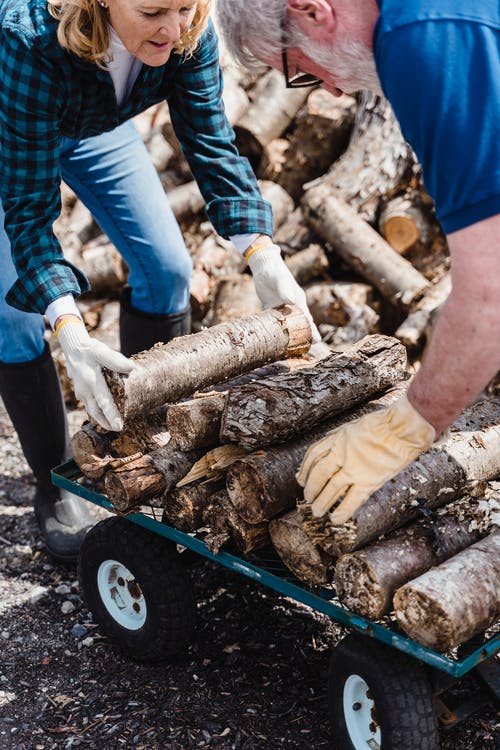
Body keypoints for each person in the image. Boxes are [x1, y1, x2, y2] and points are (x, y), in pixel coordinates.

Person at [0, 0, 320, 561]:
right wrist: (70, 327)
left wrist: (263, 254)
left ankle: (139, 451)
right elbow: (27, 212)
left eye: (184, 7)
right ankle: (54, 485)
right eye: (152, 12)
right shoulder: (27, 40)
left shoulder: (188, 30)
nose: (173, 29)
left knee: (168, 269)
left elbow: (213, 148)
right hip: (12, 124)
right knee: (16, 319)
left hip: (95, 124)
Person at [216, 0, 500, 523]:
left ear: (309, 10)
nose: (328, 89)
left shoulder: (420, 42)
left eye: (297, 68)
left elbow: (491, 296)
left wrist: (408, 425)